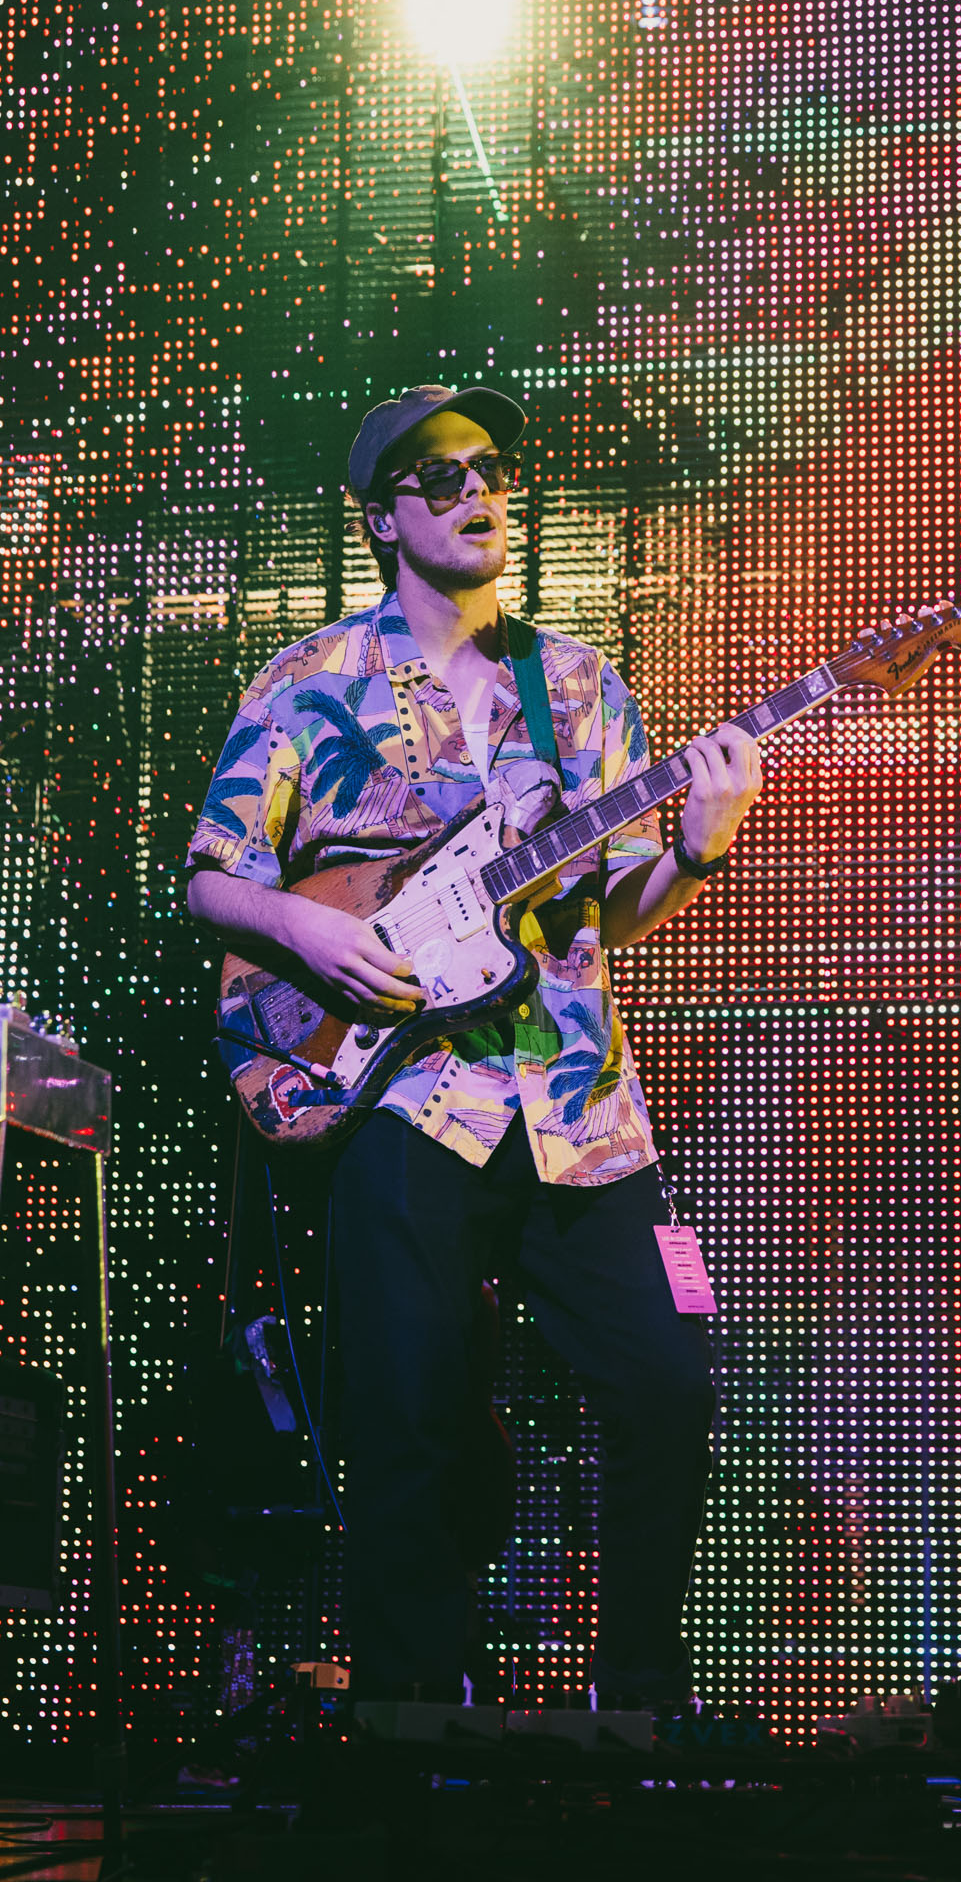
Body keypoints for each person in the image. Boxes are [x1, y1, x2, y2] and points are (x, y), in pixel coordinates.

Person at [184, 381, 762, 1708]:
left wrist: (694, 851)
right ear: (383, 518)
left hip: (578, 1103)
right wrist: (309, 929)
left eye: (493, 468)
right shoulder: (309, 683)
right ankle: (412, 1723)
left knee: (671, 1382)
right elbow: (212, 879)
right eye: (441, 476)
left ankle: (639, 1708)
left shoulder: (580, 687)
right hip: (405, 1092)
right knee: (410, 1415)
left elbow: (605, 914)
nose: (479, 492)